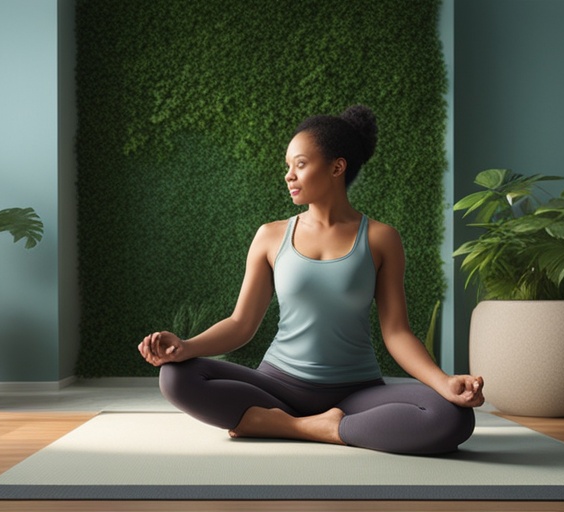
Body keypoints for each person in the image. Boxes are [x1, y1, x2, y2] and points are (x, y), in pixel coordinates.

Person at [137, 105, 483, 455]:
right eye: (288, 166)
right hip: (276, 385)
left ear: (337, 166)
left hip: (356, 392)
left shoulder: (380, 239)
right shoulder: (270, 236)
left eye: (300, 164)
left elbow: (396, 333)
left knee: (453, 417)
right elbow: (241, 324)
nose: (289, 175)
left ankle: (275, 424)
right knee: (175, 376)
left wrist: (445, 381)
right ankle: (314, 426)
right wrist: (186, 346)